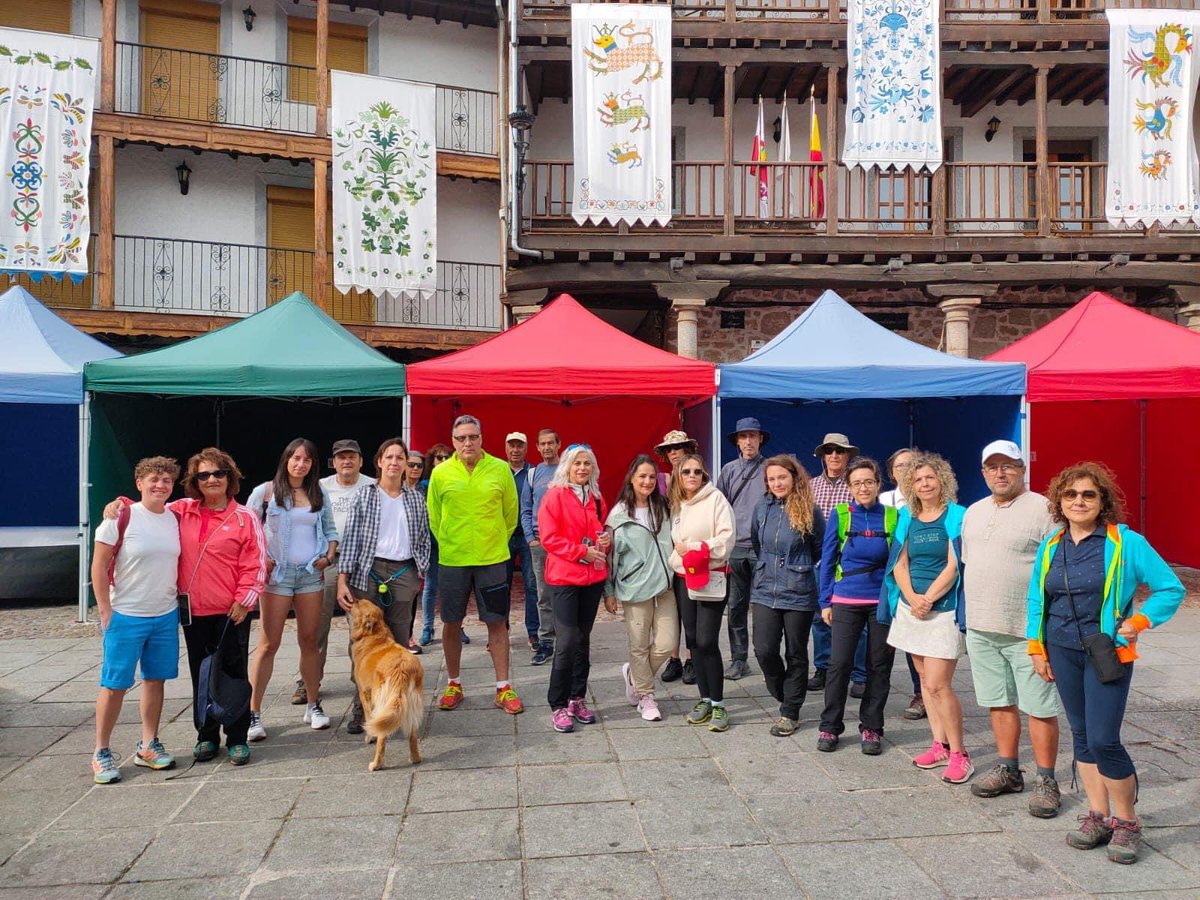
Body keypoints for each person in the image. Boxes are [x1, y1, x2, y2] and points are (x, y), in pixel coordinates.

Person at [1027, 462, 1184, 864]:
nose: (1078, 501)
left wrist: (1138, 621)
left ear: (1102, 501)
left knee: (1103, 739)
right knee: (1080, 734)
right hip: (1061, 649)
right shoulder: (1052, 545)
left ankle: (1127, 821)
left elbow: (1171, 587)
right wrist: (1035, 647)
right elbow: (1036, 600)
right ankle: (1097, 816)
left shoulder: (1125, 543)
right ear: (1059, 501)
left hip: (1106, 652)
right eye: (1070, 495)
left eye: (1088, 495)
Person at [106, 449, 266, 765]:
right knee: (201, 676)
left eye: (218, 473)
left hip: (230, 611)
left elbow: (256, 562)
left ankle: (236, 737)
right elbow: (146, 508)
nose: (211, 480)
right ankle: (206, 735)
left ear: (229, 477)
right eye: (203, 475)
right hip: (193, 612)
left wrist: (244, 599)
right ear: (195, 481)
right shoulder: (181, 510)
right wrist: (119, 503)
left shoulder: (244, 517)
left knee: (233, 674)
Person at [962, 440, 1062, 817]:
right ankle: (1008, 769)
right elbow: (971, 563)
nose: (1000, 473)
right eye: (992, 467)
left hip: (1028, 630)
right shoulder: (974, 511)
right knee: (998, 701)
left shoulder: (1044, 510)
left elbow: (1056, 569)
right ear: (984, 472)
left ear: (1022, 470)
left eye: (1008, 466)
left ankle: (1046, 779)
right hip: (983, 626)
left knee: (1039, 707)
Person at [881, 452, 973, 784]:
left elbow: (954, 564)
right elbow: (899, 562)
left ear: (943, 480)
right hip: (910, 607)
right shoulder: (907, 515)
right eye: (918, 479)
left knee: (938, 684)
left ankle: (961, 753)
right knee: (923, 681)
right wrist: (911, 598)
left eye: (930, 478)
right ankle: (939, 744)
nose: (924, 483)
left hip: (943, 608)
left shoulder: (958, 515)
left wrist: (929, 598)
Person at [90, 457, 183, 784]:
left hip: (164, 614)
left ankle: (148, 745)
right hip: (126, 614)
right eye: (154, 479)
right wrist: (105, 610)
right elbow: (98, 566)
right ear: (139, 482)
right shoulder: (120, 517)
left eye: (167, 481)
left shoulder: (175, 517)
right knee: (114, 685)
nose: (161, 485)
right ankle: (102, 751)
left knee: (155, 680)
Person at [428, 415, 524, 715]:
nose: (467, 443)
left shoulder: (499, 469)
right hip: (453, 560)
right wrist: (450, 542)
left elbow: (511, 514)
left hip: (492, 559)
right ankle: (454, 684)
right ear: (453, 441)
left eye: (472, 437)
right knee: (451, 622)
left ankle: (503, 687)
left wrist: (492, 540)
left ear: (481, 437)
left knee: (496, 621)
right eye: (460, 438)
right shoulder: (441, 473)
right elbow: (434, 517)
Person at [337, 437, 432, 734]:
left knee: (399, 644)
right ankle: (362, 707)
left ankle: (394, 706)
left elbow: (424, 538)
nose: (394, 462)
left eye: (399, 458)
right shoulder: (365, 496)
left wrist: (421, 570)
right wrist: (343, 578)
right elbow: (351, 539)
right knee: (364, 646)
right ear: (379, 462)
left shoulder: (415, 498)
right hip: (369, 571)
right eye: (388, 457)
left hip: (404, 572)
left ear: (406, 464)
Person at [247, 439, 339, 739]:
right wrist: (263, 560)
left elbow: (329, 529)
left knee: (310, 641)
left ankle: (313, 704)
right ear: (286, 459)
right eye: (296, 458)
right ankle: (253, 713)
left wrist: (328, 556)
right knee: (268, 644)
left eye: (307, 460)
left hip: (311, 573)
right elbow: (247, 529)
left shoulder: (318, 492)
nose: (301, 464)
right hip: (277, 576)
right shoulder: (266, 492)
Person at [816, 457, 896, 755]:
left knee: (879, 665)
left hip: (881, 602)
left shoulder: (892, 516)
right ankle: (830, 726)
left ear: (878, 484)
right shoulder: (840, 514)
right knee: (839, 664)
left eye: (869, 482)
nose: (863, 488)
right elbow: (828, 559)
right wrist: (825, 600)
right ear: (849, 487)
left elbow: (899, 562)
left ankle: (872, 727)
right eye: (857, 483)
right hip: (846, 599)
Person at [291, 439, 376, 708]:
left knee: (360, 627)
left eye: (352, 457)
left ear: (361, 461)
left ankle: (361, 685)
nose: (346, 461)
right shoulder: (320, 487)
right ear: (333, 462)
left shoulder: (372, 486)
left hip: (362, 563)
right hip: (328, 561)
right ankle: (308, 682)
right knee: (316, 625)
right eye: (341, 457)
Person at [749, 455, 825, 737]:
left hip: (799, 590)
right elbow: (757, 542)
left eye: (782, 477)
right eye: (772, 478)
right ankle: (784, 692)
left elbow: (820, 548)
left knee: (796, 652)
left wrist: (798, 566)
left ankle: (789, 712)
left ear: (794, 478)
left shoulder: (811, 510)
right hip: (764, 587)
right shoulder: (762, 507)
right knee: (764, 649)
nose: (777, 483)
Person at [538, 444, 609, 732]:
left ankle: (577, 698)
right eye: (577, 463)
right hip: (565, 578)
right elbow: (549, 538)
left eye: (587, 464)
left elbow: (599, 530)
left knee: (583, 640)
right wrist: (582, 551)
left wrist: (603, 539)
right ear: (566, 466)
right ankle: (557, 703)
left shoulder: (595, 496)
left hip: (592, 578)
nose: (582, 468)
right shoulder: (554, 495)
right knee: (566, 641)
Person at [604, 454, 678, 722]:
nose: (646, 481)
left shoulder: (665, 508)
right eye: (641, 476)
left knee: (667, 642)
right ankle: (646, 697)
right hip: (635, 588)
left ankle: (633, 677)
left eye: (650, 476)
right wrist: (609, 591)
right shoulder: (619, 515)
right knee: (638, 645)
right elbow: (611, 557)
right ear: (632, 480)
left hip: (666, 585)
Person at [669, 453, 736, 732]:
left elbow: (727, 538)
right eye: (686, 472)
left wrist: (697, 548)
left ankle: (719, 704)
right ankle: (704, 698)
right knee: (693, 638)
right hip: (684, 578)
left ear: (704, 474)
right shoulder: (676, 504)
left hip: (711, 576)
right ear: (678, 476)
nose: (692, 476)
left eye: (697, 471)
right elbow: (673, 543)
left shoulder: (716, 499)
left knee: (708, 640)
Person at [808, 433, 867, 697]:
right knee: (821, 618)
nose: (834, 456)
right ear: (822, 455)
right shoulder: (810, 486)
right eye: (829, 451)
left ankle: (859, 673)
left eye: (840, 451)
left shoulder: (857, 485)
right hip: (820, 561)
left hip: (850, 562)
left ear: (848, 456)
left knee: (858, 620)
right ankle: (823, 668)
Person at [715, 416, 769, 682]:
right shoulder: (728, 470)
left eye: (753, 436)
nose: (748, 441)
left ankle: (766, 655)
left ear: (760, 439)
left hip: (762, 550)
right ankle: (739, 659)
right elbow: (719, 507)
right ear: (737, 441)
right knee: (736, 606)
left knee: (763, 607)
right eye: (743, 436)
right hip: (735, 548)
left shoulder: (771, 469)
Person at [881, 448, 926, 721]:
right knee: (882, 639)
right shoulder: (883, 500)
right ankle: (876, 690)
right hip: (886, 576)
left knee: (916, 643)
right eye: (900, 465)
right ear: (891, 472)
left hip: (917, 578)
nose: (906, 470)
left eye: (911, 465)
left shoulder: (929, 500)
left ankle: (922, 693)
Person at [652, 429, 699, 684]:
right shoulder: (659, 480)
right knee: (669, 608)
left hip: (688, 551)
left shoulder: (696, 479)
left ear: (687, 450)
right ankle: (674, 658)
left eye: (678, 447)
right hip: (665, 550)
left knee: (689, 607)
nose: (674, 453)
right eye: (670, 449)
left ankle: (692, 658)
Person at [521, 428, 562, 666]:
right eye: (542, 444)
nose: (547, 447)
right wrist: (530, 538)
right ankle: (546, 642)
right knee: (543, 595)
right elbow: (525, 508)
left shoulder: (567, 471)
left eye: (550, 443)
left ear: (558, 445)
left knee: (565, 593)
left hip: (563, 544)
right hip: (540, 543)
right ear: (537, 447)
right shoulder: (532, 474)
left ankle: (566, 641)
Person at [417, 443, 458, 647]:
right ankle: (427, 627)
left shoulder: (455, 481)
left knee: (454, 588)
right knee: (431, 587)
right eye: (439, 458)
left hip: (452, 541)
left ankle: (457, 628)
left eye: (446, 457)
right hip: (432, 543)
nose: (442, 461)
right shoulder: (424, 485)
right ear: (431, 461)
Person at [504, 431, 540, 653]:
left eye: (520, 446)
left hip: (528, 537)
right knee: (501, 586)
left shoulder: (534, 473)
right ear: (506, 448)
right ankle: (500, 632)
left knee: (531, 585)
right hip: (503, 537)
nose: (515, 450)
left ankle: (533, 632)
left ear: (526, 449)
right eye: (512, 446)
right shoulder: (498, 472)